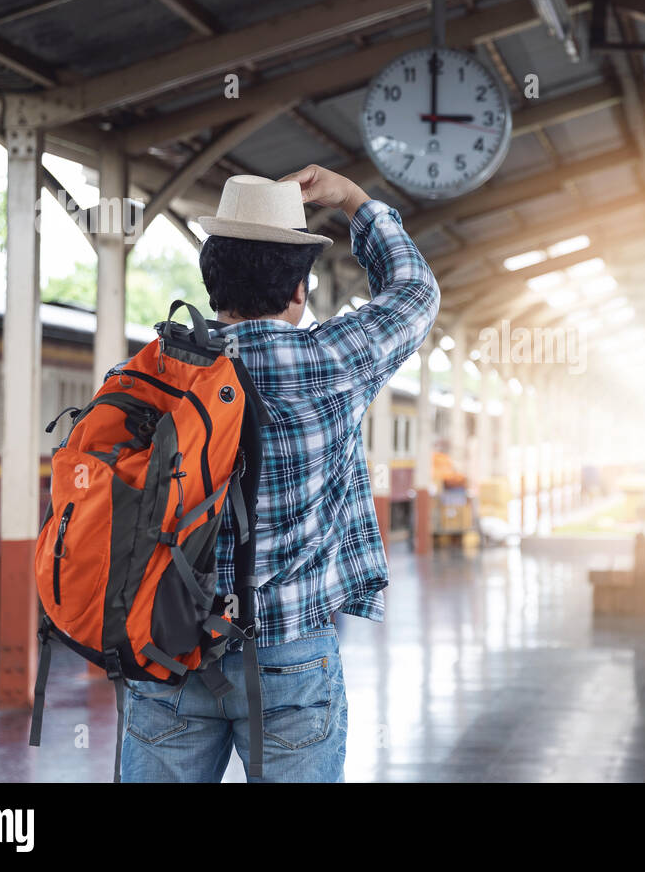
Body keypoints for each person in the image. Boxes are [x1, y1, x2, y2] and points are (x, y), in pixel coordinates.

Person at [118, 167, 439, 782]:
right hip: (288, 656)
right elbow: (415, 291)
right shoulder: (332, 361)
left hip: (168, 649)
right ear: (298, 289)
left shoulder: (160, 371)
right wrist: (351, 199)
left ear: (213, 287)